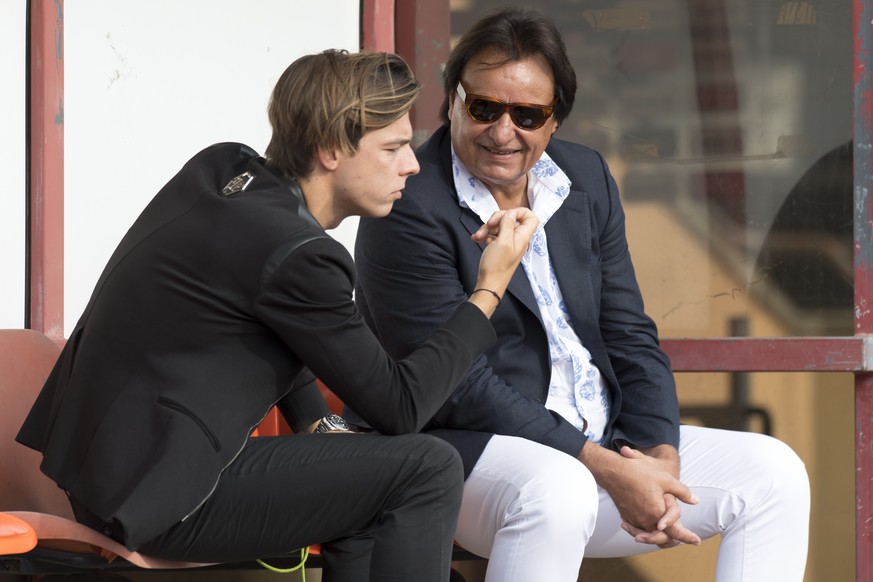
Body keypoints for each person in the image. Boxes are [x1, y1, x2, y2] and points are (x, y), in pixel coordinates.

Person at [15, 49, 538, 582]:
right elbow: (401, 407)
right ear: (331, 150)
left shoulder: (223, 170)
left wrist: (317, 421)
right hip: (165, 495)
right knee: (427, 467)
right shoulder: (300, 255)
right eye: (393, 147)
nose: (411, 163)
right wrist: (488, 289)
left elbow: (268, 315)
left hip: (106, 476)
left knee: (366, 480)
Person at [352, 8, 811, 582]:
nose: (502, 131)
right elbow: (456, 386)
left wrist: (656, 458)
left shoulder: (585, 178)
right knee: (558, 488)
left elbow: (628, 331)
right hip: (462, 456)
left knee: (774, 472)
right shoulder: (408, 203)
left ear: (555, 120)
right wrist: (602, 467)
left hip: (601, 443)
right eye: (484, 107)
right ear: (453, 100)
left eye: (527, 114)